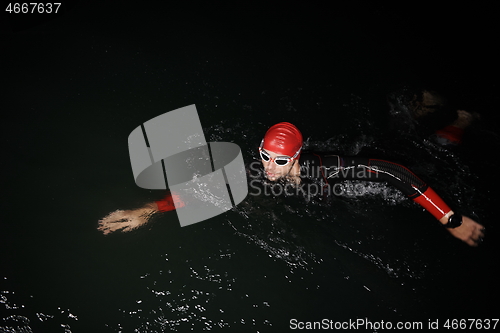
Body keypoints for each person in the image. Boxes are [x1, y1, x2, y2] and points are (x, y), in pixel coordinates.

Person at [98, 123, 485, 246]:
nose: (269, 166)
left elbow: (395, 174)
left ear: (297, 157)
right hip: (315, 194)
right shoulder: (257, 172)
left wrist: (451, 220)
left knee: (429, 155)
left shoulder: (329, 170)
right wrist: (146, 211)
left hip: (360, 175)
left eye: (280, 160)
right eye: (265, 155)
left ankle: (458, 125)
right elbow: (202, 192)